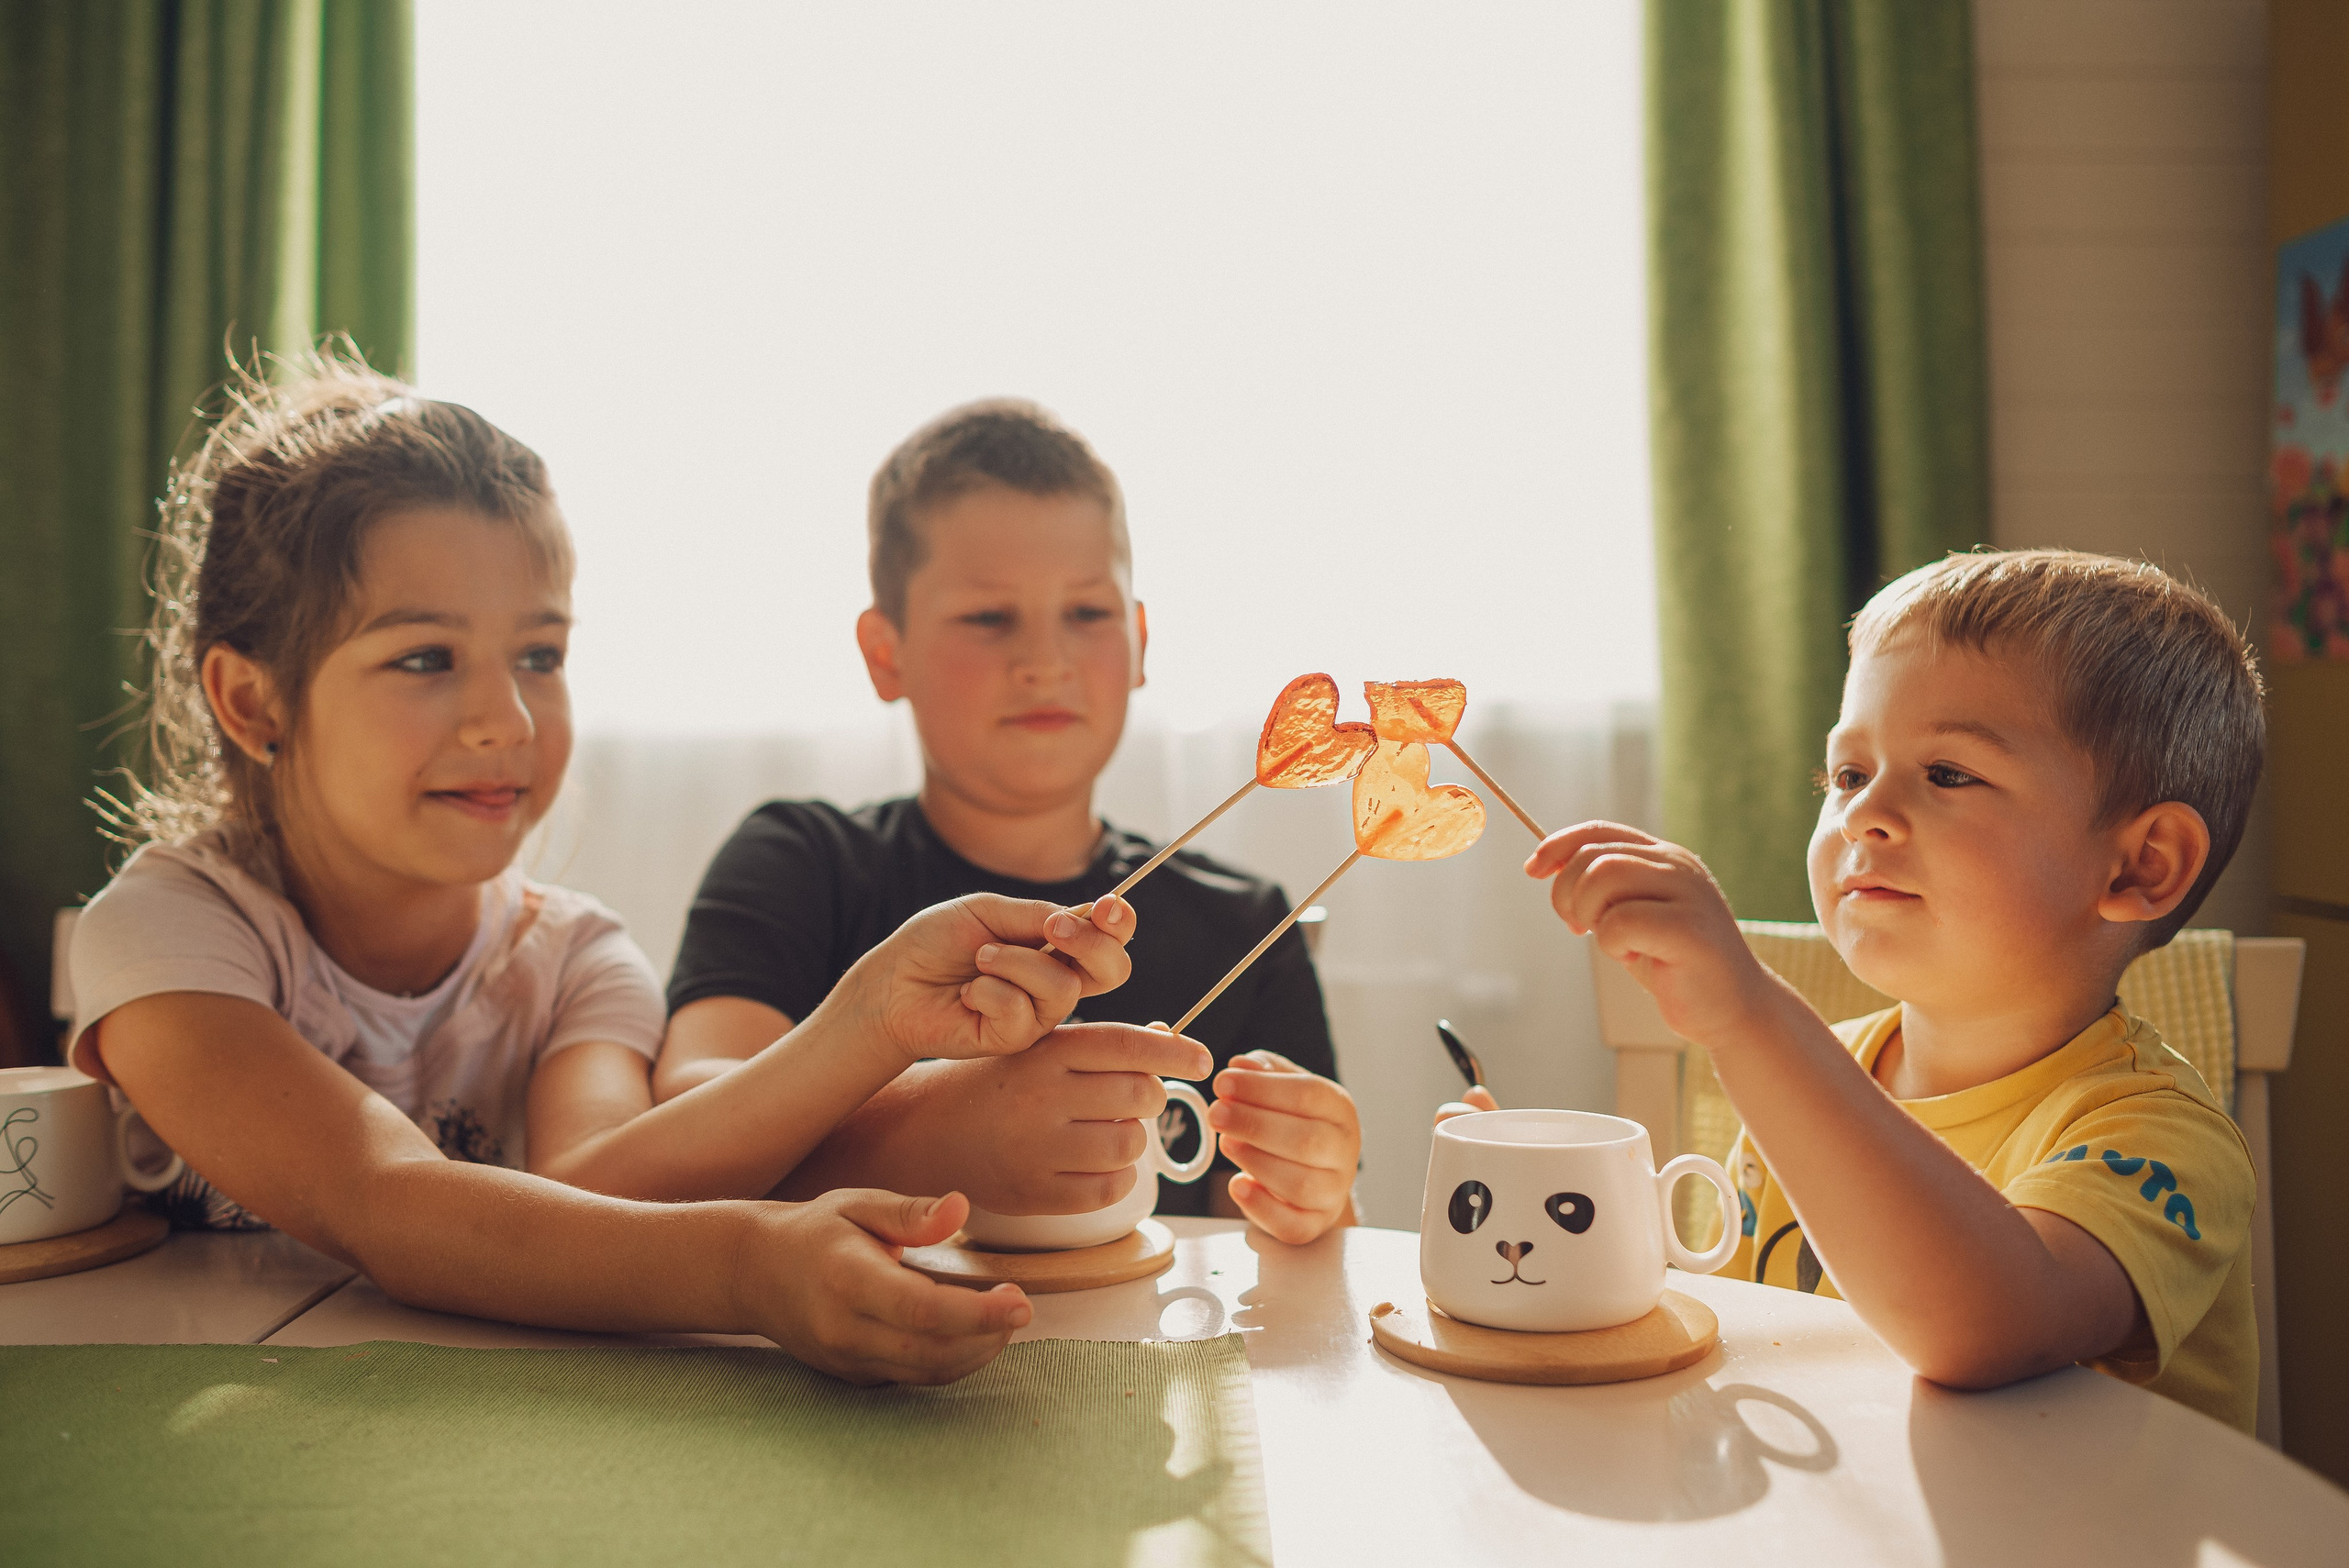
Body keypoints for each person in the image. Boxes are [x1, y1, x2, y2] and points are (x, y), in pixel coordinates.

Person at [66, 352, 1163, 1385]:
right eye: (426, 657)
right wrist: (746, 1264)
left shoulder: (575, 958)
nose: (507, 719)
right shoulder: (167, 930)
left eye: (539, 655)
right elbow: (387, 1199)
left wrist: (874, 1016)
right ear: (252, 699)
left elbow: (598, 1196)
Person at [1462, 550, 2263, 1429]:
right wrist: (1536, 1209)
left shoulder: (2161, 1136)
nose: (1861, 813)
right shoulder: (1817, 1078)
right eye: (1848, 774)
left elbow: (1987, 1324)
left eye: (1948, 772)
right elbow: (1730, 1348)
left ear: (2144, 865)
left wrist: (1752, 1015)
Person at [659, 400, 1362, 1244]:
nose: (1045, 661)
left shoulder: (1247, 923)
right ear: (886, 653)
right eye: (989, 618)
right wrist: (932, 1123)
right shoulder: (799, 864)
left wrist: (1313, 1190)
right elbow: (682, 1131)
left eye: (1088, 613)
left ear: (1139, 641)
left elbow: (1282, 1250)